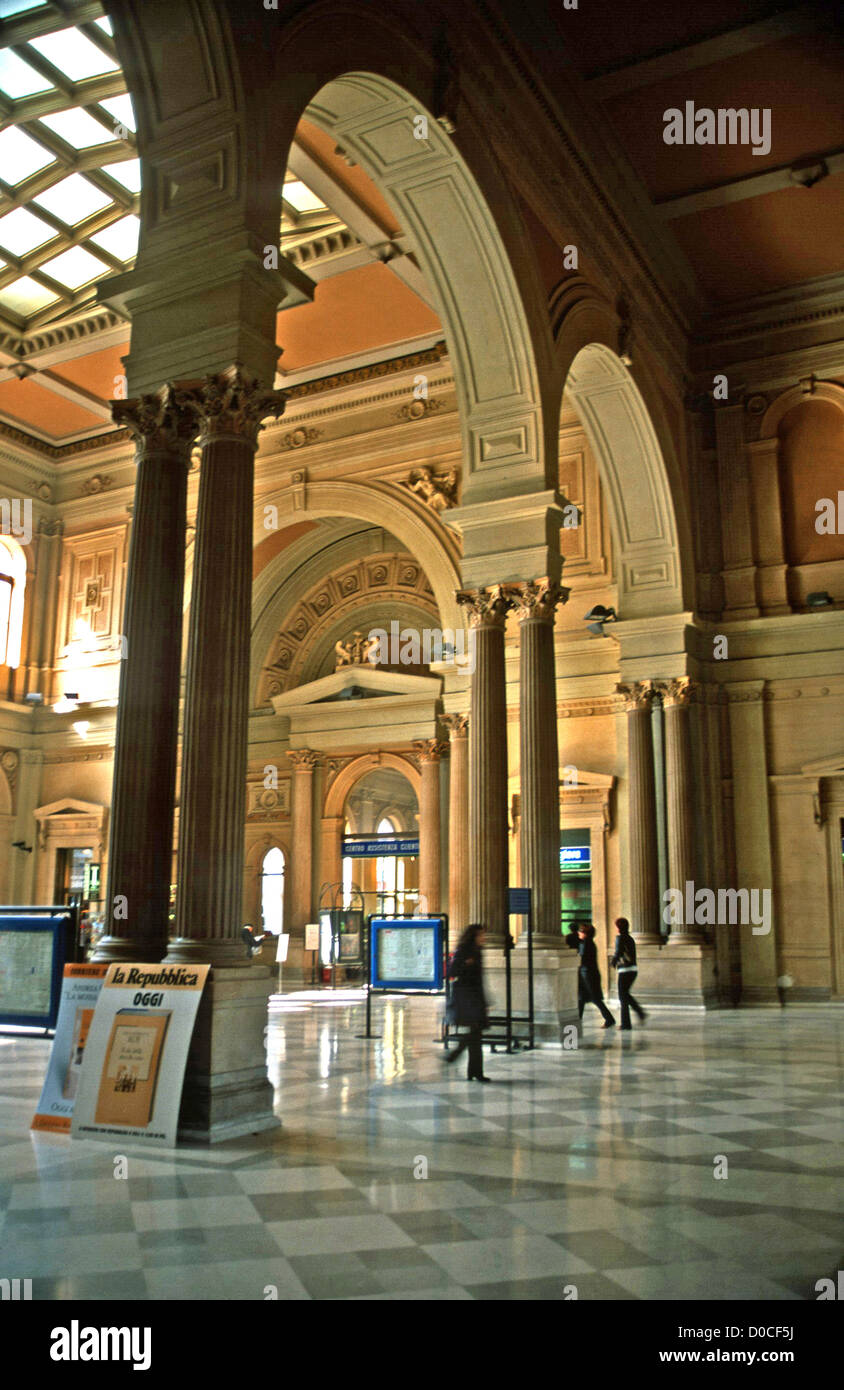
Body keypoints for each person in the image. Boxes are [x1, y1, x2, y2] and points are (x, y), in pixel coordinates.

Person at [444, 923, 490, 1081]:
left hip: (475, 997)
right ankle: (462, 1060)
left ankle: (474, 1071)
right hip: (466, 998)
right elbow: (451, 972)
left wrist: (485, 1001)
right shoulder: (463, 951)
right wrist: (465, 964)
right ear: (473, 936)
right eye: (481, 935)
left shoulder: (478, 952)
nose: (483, 938)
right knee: (475, 1033)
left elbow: (480, 980)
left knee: (476, 1036)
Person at [566, 921, 615, 1028]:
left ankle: (609, 1019)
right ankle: (578, 1021)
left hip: (587, 974)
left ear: (585, 933)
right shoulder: (589, 943)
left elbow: (582, 959)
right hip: (588, 973)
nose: (578, 933)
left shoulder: (585, 943)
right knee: (582, 998)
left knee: (593, 998)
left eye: (580, 931)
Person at [610, 917, 647, 1030]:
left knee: (623, 997)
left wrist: (613, 962)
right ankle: (640, 1012)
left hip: (625, 970)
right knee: (625, 994)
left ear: (618, 927)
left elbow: (618, 951)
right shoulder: (630, 938)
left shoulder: (619, 938)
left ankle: (626, 1024)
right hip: (633, 970)